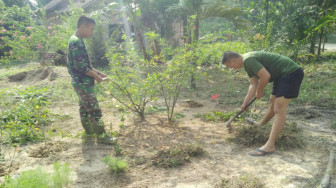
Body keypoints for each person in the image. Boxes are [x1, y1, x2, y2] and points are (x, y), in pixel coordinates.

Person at [222, 51, 304, 156]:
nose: (231, 68)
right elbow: (253, 84)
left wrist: (260, 91)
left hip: (291, 73)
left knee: (279, 109)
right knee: (272, 104)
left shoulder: (248, 60)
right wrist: (245, 103)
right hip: (281, 75)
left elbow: (265, 76)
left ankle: (270, 145)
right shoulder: (247, 64)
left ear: (233, 61)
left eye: (230, 66)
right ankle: (260, 125)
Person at [67, 15, 113, 144]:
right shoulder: (76, 41)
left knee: (84, 108)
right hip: (83, 83)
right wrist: (98, 77)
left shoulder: (77, 40)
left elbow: (87, 66)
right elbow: (81, 67)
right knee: (94, 110)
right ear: (83, 26)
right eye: (91, 29)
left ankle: (89, 134)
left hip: (81, 82)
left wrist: (101, 73)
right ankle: (102, 137)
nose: (92, 32)